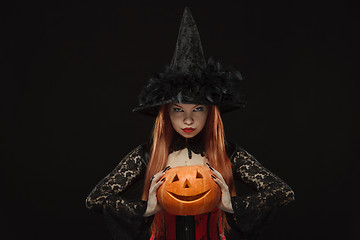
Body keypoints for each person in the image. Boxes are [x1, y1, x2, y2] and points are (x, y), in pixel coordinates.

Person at [85, 7, 295, 240]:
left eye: (197, 109)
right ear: (165, 114)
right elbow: (96, 198)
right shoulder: (148, 154)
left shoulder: (227, 153)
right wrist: (147, 209)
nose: (188, 119)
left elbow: (282, 192)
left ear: (210, 113)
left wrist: (231, 205)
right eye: (178, 110)